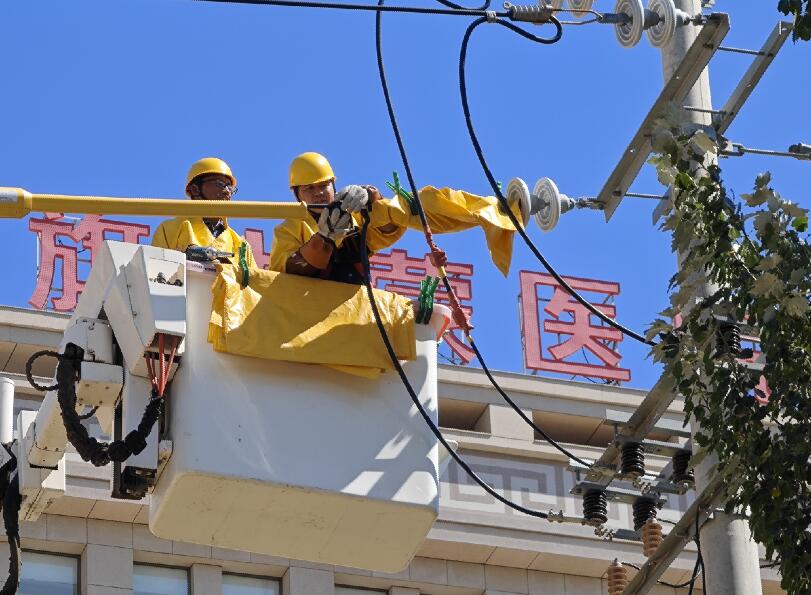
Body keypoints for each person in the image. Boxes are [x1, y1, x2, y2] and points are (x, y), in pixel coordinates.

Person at [269, 152, 406, 284]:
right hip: (311, 305)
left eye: (323, 185)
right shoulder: (288, 230)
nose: (318, 193)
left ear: (333, 185)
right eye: (309, 188)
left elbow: (390, 228)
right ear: (297, 194)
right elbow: (284, 277)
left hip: (358, 305)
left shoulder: (355, 215)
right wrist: (322, 242)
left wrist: (372, 198)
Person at [152, 157, 256, 267]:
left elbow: (255, 280)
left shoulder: (241, 245)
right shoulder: (169, 230)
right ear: (195, 189)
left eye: (230, 188)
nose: (227, 192)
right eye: (219, 184)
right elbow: (156, 269)